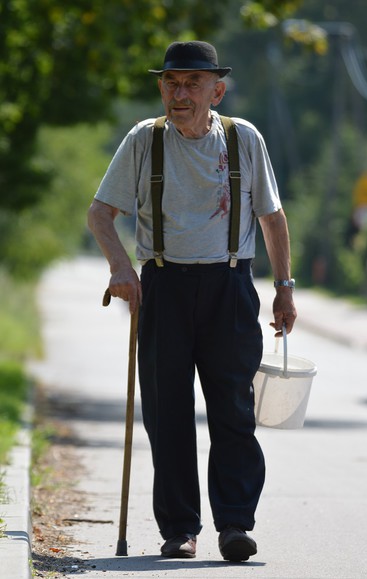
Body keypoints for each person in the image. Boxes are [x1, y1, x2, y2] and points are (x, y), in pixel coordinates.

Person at [87, 40, 297, 562]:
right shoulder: (144, 140)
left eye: (192, 84)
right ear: (161, 87)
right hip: (163, 286)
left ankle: (235, 525)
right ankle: (180, 529)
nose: (179, 94)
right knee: (168, 413)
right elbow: (100, 213)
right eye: (171, 83)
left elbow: (272, 218)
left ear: (216, 90)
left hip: (230, 285)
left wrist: (284, 288)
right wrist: (120, 267)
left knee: (232, 410)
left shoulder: (243, 139)